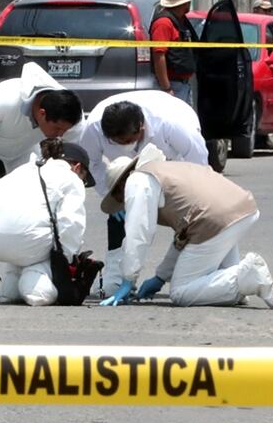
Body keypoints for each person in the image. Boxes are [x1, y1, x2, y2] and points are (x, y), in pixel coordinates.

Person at [0, 63, 83, 296]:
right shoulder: (0, 101)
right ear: (41, 113)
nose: (60, 134)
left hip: (24, 149)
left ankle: (22, 272)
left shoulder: (67, 114)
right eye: (57, 128)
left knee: (31, 205)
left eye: (64, 130)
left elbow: (72, 146)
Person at [98, 145, 273, 309]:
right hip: (239, 210)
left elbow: (139, 233)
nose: (123, 203)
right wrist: (160, 277)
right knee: (220, 275)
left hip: (213, 220)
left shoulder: (137, 181)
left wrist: (128, 279)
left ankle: (247, 277)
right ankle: (237, 285)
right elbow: (184, 237)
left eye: (120, 198)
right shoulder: (165, 170)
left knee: (182, 292)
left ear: (121, 185)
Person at [79, 91, 209, 294]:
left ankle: (195, 271)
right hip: (124, 168)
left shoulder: (172, 123)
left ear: (141, 128)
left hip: (173, 160)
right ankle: (114, 277)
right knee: (118, 214)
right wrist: (113, 197)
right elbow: (92, 164)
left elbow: (198, 159)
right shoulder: (94, 128)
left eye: (127, 140)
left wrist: (195, 196)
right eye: (115, 142)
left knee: (187, 217)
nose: (123, 146)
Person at [0, 138, 93, 306]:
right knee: (48, 243)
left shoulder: (24, 168)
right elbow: (70, 223)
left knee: (26, 229)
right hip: (23, 240)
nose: (82, 182)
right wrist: (65, 260)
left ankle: (11, 285)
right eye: (84, 178)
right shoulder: (71, 178)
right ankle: (35, 282)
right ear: (78, 167)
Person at [149, 0, 199, 105]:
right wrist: (166, 88)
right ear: (183, 3)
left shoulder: (180, 20)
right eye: (188, 1)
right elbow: (159, 56)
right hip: (172, 85)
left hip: (183, 84)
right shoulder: (163, 23)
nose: (190, 3)